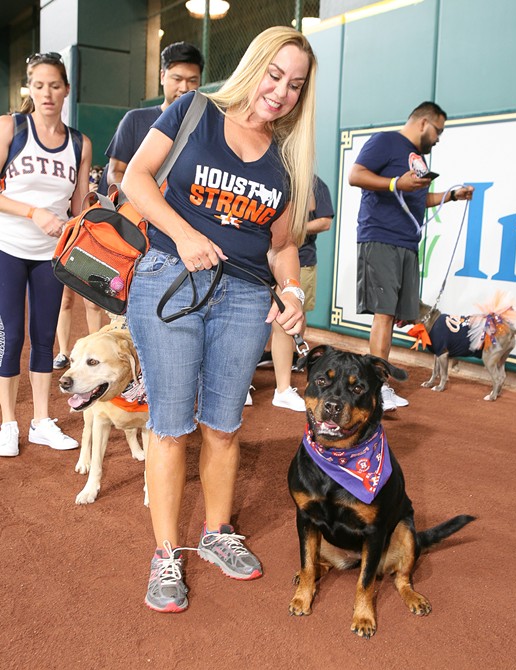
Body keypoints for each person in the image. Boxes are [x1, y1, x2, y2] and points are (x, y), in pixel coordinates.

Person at [121, 26, 317, 613]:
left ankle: (213, 534)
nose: (280, 92)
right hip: (170, 281)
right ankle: (165, 554)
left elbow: (282, 246)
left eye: (295, 85)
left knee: (225, 425)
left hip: (243, 298)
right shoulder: (194, 111)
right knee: (171, 423)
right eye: (275, 75)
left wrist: (292, 291)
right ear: (255, 66)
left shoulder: (286, 157)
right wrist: (183, 234)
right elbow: (135, 178)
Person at [349, 101, 474, 411]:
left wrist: (451, 196)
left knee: (394, 315)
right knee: (385, 312)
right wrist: (394, 182)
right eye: (438, 131)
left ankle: (379, 383)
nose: (439, 138)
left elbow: (415, 196)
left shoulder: (415, 157)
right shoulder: (385, 141)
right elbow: (355, 175)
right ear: (423, 123)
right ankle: (376, 388)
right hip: (380, 237)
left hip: (407, 243)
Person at [0, 51, 92, 457]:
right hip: (8, 246)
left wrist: (97, 211)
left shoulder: (79, 143)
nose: (47, 93)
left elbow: (77, 208)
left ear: (66, 89)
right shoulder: (10, 128)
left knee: (44, 338)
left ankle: (40, 420)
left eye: (55, 85)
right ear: (29, 89)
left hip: (50, 254)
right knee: (10, 336)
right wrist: (33, 211)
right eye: (38, 85)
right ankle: (7, 422)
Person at [98, 41, 204, 193]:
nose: (184, 88)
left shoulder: (204, 128)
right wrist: (145, 200)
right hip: (133, 209)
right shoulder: (135, 120)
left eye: (192, 81)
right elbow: (115, 173)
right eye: (177, 79)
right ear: (162, 76)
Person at [269, 175, 334, 412]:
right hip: (257, 258)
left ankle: (284, 387)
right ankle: (244, 385)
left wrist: (293, 229)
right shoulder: (269, 174)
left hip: (300, 259)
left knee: (289, 319)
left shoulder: (316, 184)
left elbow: (325, 221)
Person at [51, 164, 105, 370]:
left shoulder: (101, 196)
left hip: (88, 249)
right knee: (64, 301)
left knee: (92, 304)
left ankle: (95, 351)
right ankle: (63, 352)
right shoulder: (64, 195)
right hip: (65, 246)